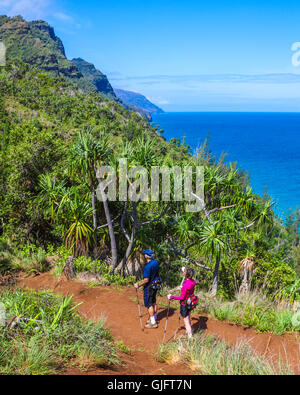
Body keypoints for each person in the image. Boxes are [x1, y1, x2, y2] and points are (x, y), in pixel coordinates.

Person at [134, 249, 159, 329]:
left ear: (146, 256)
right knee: (153, 301)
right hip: (155, 285)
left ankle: (153, 322)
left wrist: (138, 285)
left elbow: (146, 280)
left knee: (149, 304)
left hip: (149, 287)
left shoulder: (147, 267)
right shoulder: (156, 262)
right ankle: (154, 318)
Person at [168, 267, 195, 339]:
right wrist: (182, 287)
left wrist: (172, 297)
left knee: (186, 321)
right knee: (188, 317)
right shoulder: (192, 282)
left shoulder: (186, 285)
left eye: (184, 272)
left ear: (186, 274)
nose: (183, 272)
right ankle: (188, 331)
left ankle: (190, 336)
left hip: (184, 304)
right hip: (190, 302)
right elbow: (188, 288)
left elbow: (182, 297)